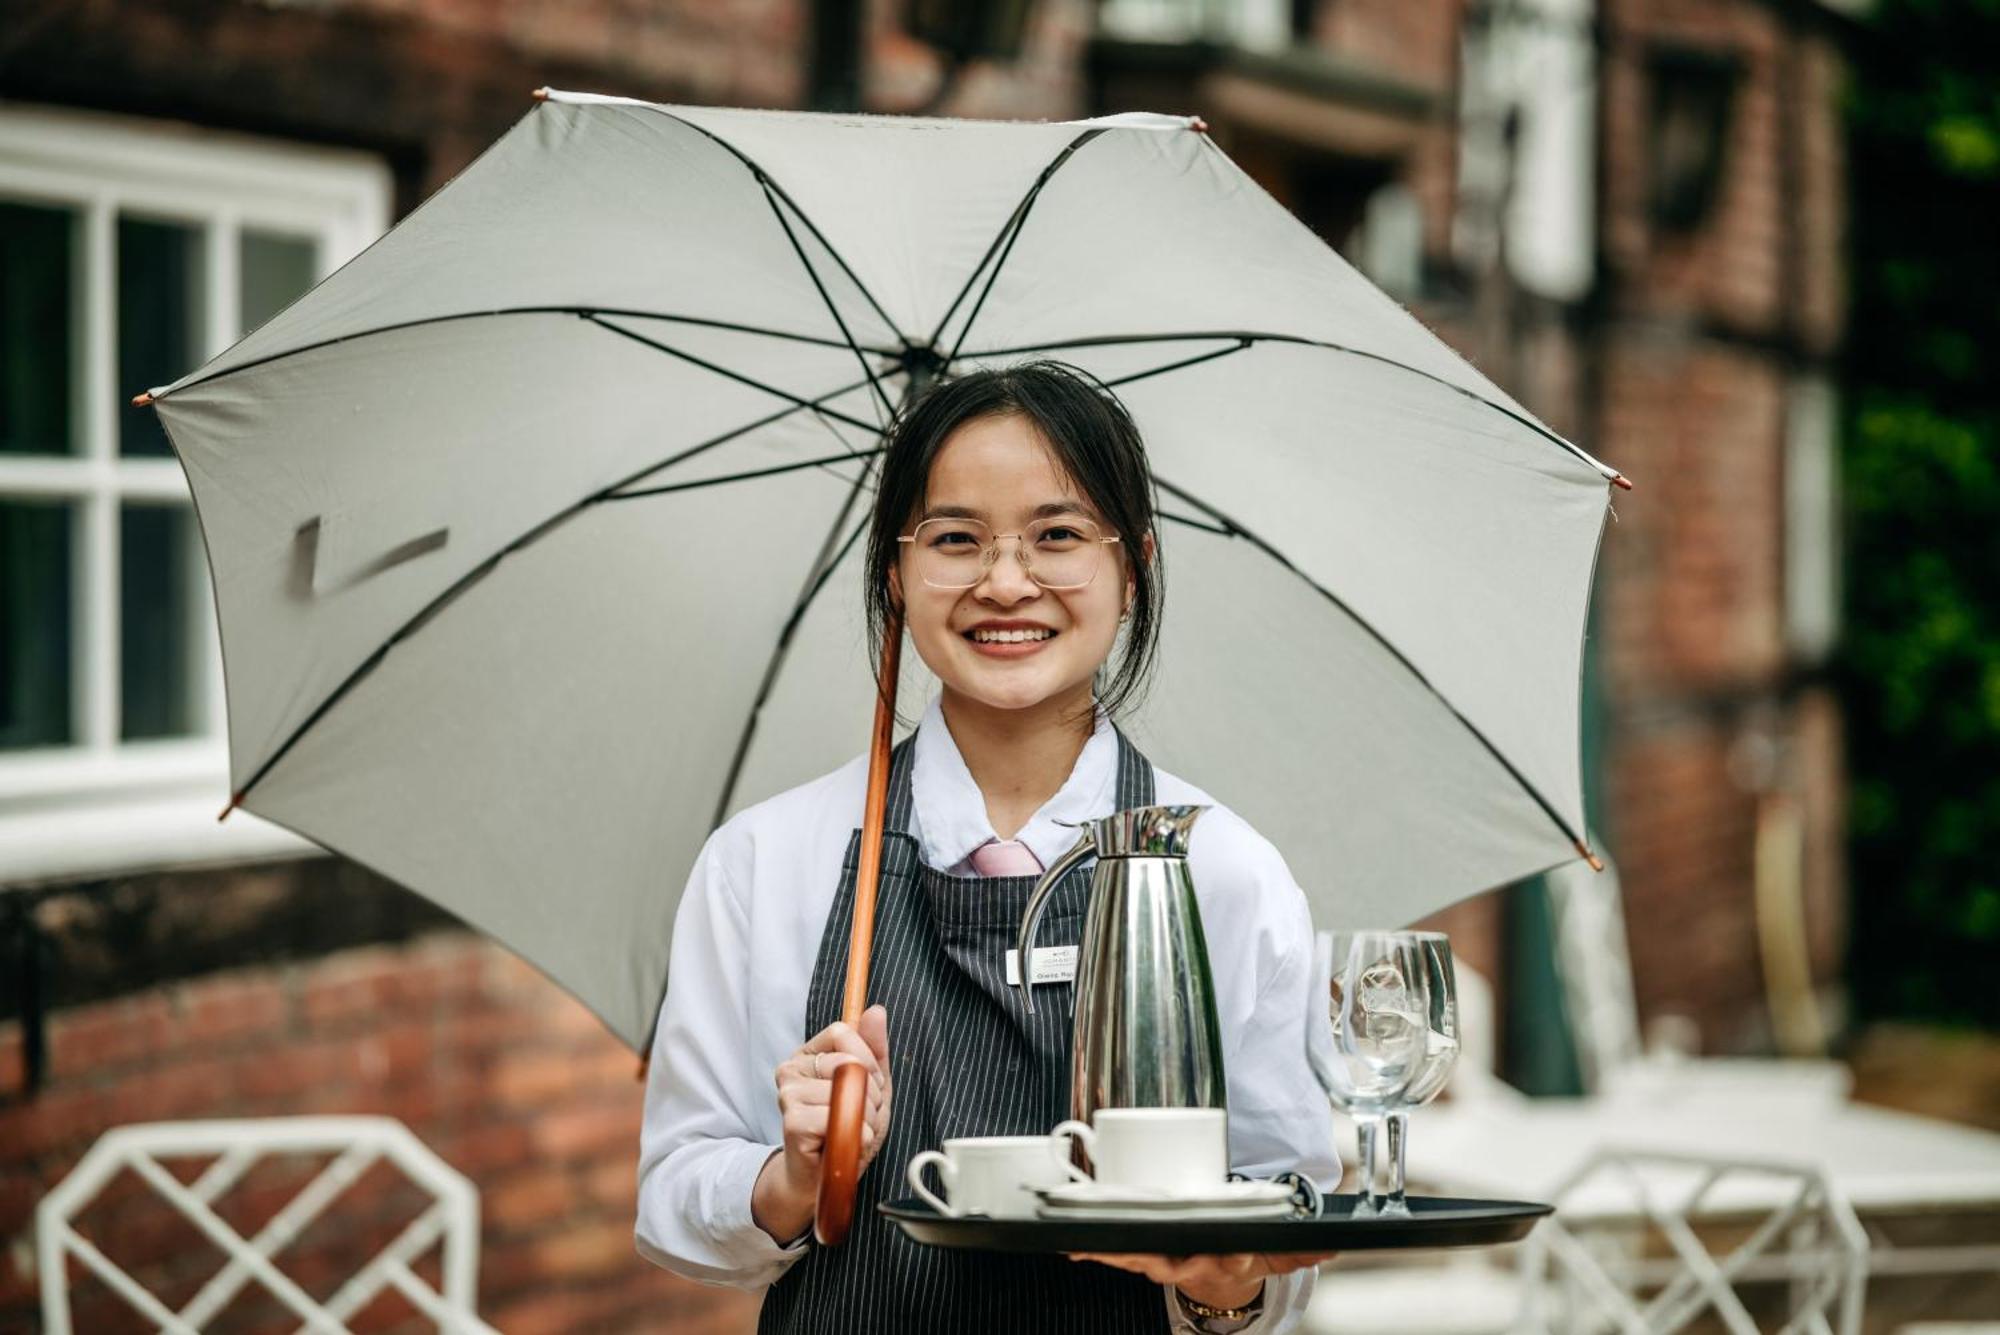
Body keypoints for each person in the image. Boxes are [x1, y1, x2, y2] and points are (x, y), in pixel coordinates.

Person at [636, 361, 1338, 1332]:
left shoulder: (1224, 874)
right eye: (955, 540)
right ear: (895, 570)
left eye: (1055, 536)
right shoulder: (763, 864)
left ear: (1130, 566)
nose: (1004, 584)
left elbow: (1289, 1241)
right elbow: (673, 1201)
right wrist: (794, 1175)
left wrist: (1223, 1275)